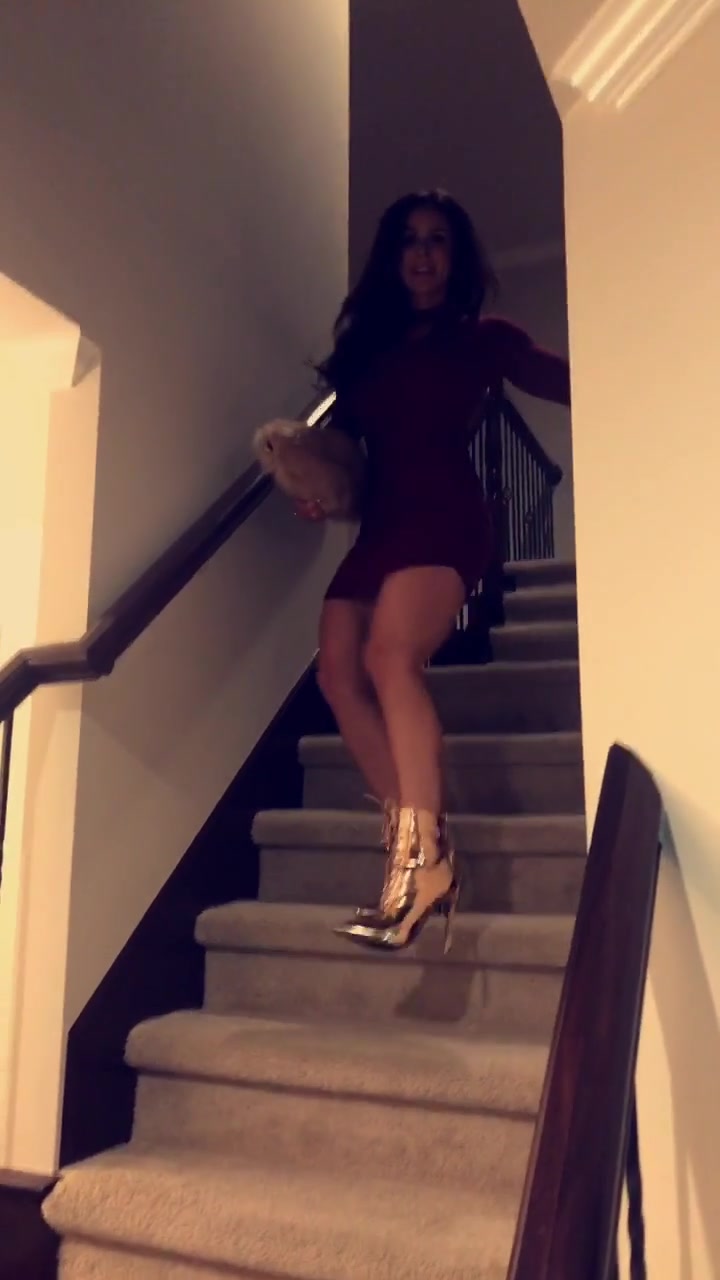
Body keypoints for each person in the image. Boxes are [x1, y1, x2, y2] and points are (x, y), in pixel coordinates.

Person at [296, 189, 570, 953]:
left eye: (438, 239)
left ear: (456, 257)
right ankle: (422, 851)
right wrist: (319, 488)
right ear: (393, 256)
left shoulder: (482, 338)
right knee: (337, 672)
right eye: (410, 240)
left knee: (391, 657)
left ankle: (417, 869)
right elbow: (346, 446)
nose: (422, 253)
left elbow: (569, 381)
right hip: (382, 519)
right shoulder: (366, 351)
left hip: (446, 513)